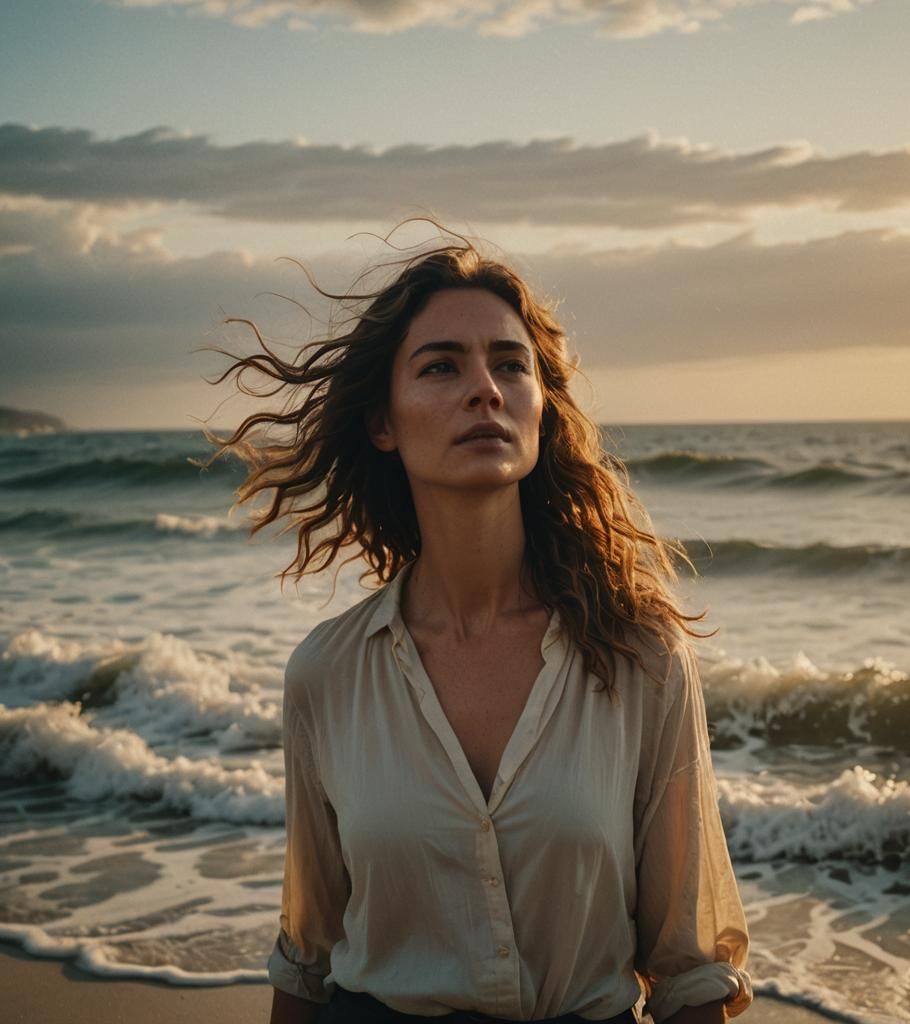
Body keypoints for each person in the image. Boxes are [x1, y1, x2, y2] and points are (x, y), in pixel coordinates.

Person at [206, 227, 752, 1024]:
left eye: (509, 364)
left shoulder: (639, 658)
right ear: (383, 422)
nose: (485, 390)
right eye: (441, 366)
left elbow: (690, 968)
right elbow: (309, 956)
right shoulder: (327, 673)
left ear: (540, 406)